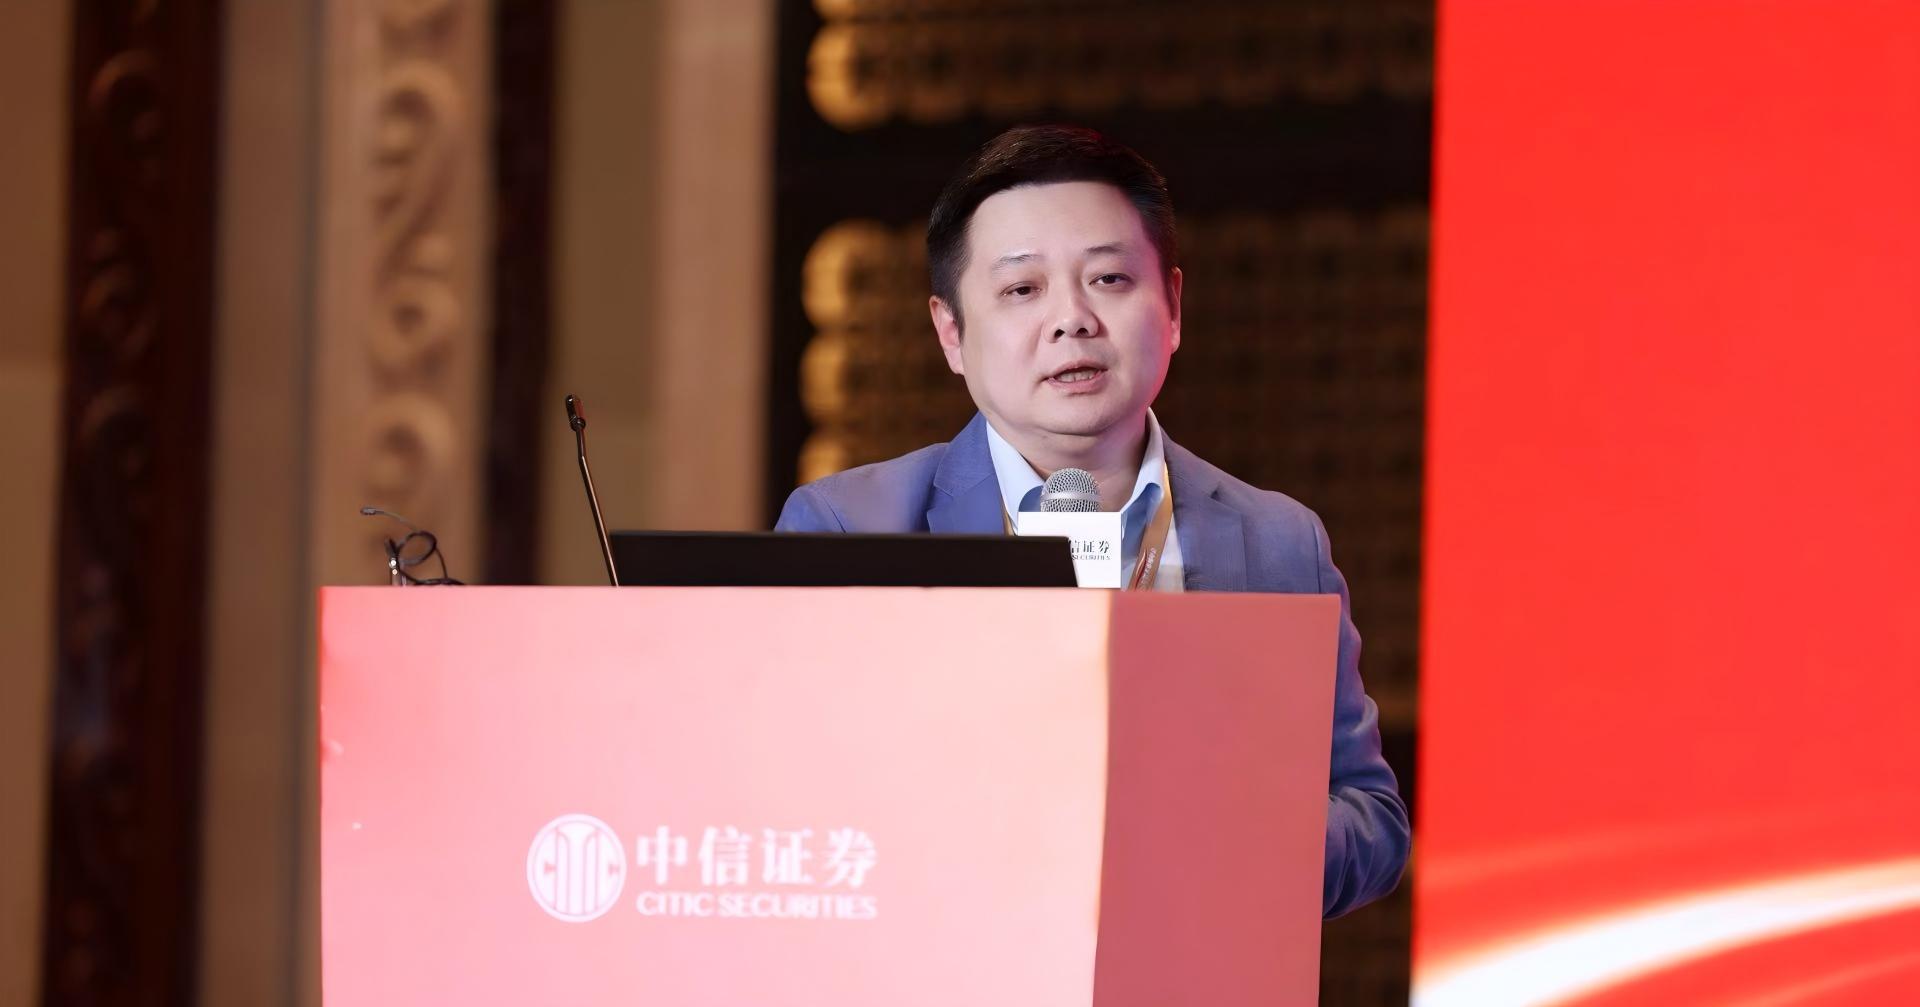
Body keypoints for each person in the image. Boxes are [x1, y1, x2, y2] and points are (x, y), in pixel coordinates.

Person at [776, 124, 1408, 918]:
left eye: (1108, 279)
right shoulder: (849, 530)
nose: (1071, 319)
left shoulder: (1279, 541)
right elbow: (793, 802)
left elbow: (1371, 819)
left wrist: (1228, 833)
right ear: (950, 332)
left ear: (1172, 307)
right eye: (1022, 289)